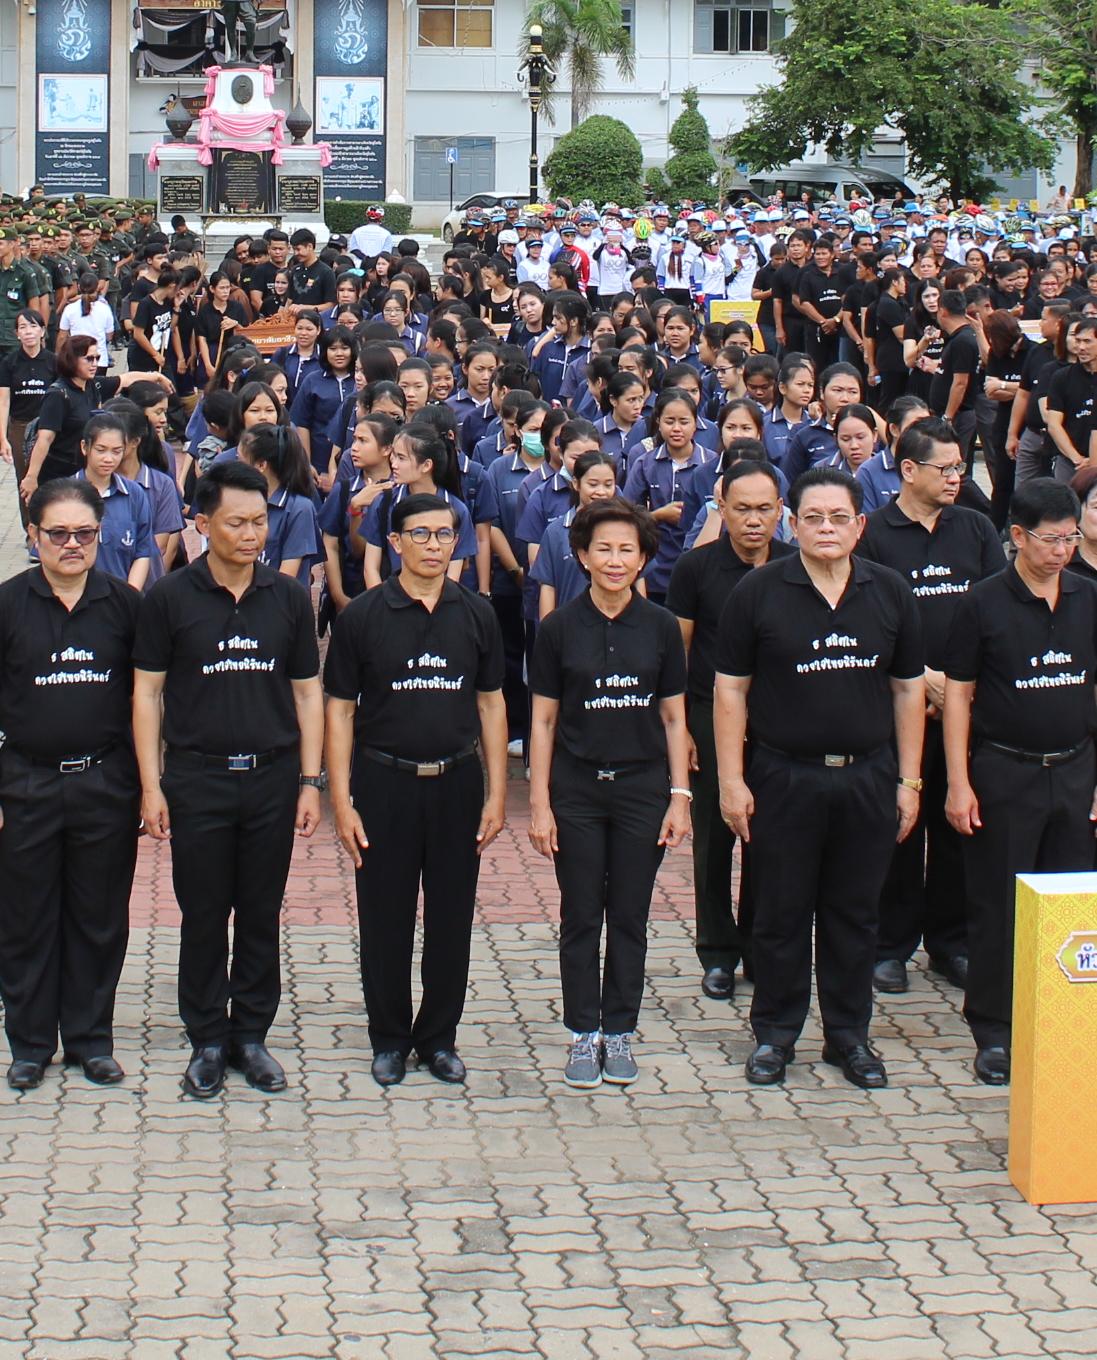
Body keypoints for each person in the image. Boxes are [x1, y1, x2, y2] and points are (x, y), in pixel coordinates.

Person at [710, 467, 931, 1091]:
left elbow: (908, 690)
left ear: (860, 526)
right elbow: (731, 691)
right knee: (779, 912)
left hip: (868, 778)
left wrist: (909, 781)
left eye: (839, 518)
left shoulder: (890, 592)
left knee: (855, 914)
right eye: (814, 518)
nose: (827, 528)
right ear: (793, 522)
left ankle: (848, 1037)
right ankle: (775, 1035)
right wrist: (732, 779)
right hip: (783, 778)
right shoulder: (758, 593)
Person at [133, 459, 325, 1099]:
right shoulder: (169, 598)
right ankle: (207, 1038)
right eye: (236, 522)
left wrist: (310, 781)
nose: (252, 533)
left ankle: (251, 1035)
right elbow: (148, 695)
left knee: (262, 911)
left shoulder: (287, 598)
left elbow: (306, 694)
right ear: (200, 522)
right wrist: (152, 784)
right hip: (196, 778)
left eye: (260, 520)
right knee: (204, 913)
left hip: (271, 779)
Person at [941, 477, 1097, 1086]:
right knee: (997, 907)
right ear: (1017, 537)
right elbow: (959, 697)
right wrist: (959, 781)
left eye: (1070, 538)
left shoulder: (1090, 598)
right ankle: (994, 1030)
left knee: (1067, 904)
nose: (1062, 551)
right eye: (1050, 540)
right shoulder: (983, 602)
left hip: (1074, 770)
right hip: (1003, 770)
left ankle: (1061, 1018)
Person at [324, 485, 509, 1085]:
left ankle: (438, 1038)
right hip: (383, 783)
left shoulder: (476, 612)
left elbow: (490, 706)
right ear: (395, 542)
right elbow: (340, 710)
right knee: (385, 915)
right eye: (420, 535)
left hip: (456, 783)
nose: (434, 545)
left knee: (452, 917)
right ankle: (389, 1038)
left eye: (445, 534)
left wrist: (499, 794)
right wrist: (340, 798)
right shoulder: (363, 617)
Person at [0, 477, 141, 1090]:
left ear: (100, 534)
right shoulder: (3, 607)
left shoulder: (124, 605)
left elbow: (147, 702)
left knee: (98, 917)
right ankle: (31, 1043)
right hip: (26, 784)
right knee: (26, 918)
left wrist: (150, 786)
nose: (72, 544)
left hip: (105, 782)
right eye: (58, 533)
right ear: (34, 536)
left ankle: (91, 1040)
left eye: (85, 533)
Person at [525, 495, 691, 1090]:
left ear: (645, 557)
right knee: (579, 916)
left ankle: (619, 1030)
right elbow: (542, 722)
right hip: (577, 790)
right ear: (581, 555)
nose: (616, 560)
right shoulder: (558, 629)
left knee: (629, 914)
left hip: (643, 789)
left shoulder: (662, 627)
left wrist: (680, 796)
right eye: (605, 549)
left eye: (629, 549)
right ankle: (582, 1033)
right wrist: (540, 803)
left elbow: (675, 719)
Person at [859, 417, 1003, 988]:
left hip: (964, 709)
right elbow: (866, 621)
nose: (956, 477)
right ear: (909, 470)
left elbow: (995, 611)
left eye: (961, 468)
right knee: (898, 824)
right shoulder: (873, 535)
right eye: (945, 468)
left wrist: (957, 687)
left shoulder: (974, 528)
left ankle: (952, 941)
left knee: (957, 825)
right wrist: (924, 680)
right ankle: (888, 944)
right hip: (900, 707)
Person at [667, 452, 783, 1002]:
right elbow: (678, 652)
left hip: (780, 725)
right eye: (742, 509)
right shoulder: (697, 568)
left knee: (770, 839)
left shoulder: (794, 563)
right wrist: (682, 729)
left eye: (764, 508)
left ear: (781, 510)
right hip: (709, 719)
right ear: (721, 508)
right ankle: (716, 951)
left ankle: (762, 947)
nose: (754, 520)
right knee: (714, 841)